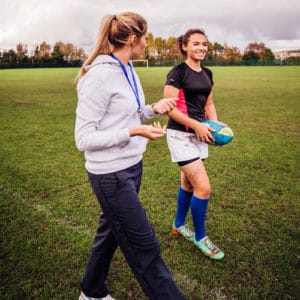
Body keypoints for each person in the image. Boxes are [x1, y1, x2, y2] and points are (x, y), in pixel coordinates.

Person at [74, 12, 186, 300]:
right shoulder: (98, 76)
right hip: (110, 176)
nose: (147, 42)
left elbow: (129, 113)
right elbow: (83, 139)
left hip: (132, 167)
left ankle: (91, 291)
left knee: (110, 232)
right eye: (146, 37)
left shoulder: (127, 68)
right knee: (145, 246)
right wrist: (133, 132)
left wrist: (153, 109)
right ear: (133, 39)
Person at [164, 29, 225, 260]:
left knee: (189, 185)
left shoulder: (208, 73)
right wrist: (195, 125)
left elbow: (209, 105)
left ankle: (179, 224)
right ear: (185, 47)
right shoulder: (177, 73)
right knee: (204, 188)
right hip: (180, 135)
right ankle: (201, 238)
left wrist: (215, 127)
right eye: (196, 44)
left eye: (205, 44)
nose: (201, 48)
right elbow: (169, 107)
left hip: (200, 135)